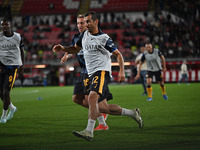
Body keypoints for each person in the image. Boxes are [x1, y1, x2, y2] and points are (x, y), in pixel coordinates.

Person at [53, 11, 143, 141]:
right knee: (103, 107)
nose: (86, 24)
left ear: (96, 22)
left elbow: (118, 54)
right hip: (89, 73)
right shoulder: (84, 35)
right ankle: (132, 113)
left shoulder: (104, 38)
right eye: (84, 22)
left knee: (92, 97)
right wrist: (63, 48)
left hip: (101, 71)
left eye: (88, 21)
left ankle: (89, 131)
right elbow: (75, 49)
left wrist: (122, 71)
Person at [61, 14, 109, 131]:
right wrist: (66, 54)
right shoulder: (77, 37)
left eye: (82, 23)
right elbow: (74, 48)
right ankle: (99, 112)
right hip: (83, 71)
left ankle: (100, 123)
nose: (80, 25)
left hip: (94, 71)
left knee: (94, 100)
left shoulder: (96, 36)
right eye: (78, 23)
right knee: (76, 98)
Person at [0, 17, 24, 123]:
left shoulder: (17, 37)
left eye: (6, 24)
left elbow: (22, 52)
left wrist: (22, 66)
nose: (4, 26)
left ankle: (4, 116)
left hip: (12, 68)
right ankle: (13, 108)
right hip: (1, 67)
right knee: (0, 93)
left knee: (6, 92)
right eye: (2, 25)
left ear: (10, 25)